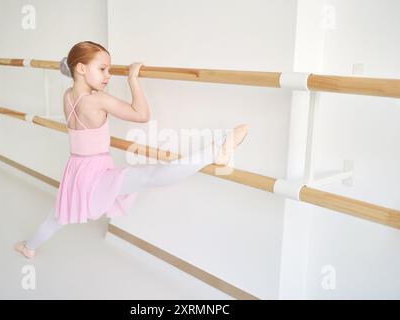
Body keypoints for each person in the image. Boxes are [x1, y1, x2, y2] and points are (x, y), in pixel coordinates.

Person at [15, 41, 249, 259]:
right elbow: (142, 115)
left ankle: (28, 247)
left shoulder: (68, 96)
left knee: (59, 214)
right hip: (95, 174)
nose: (108, 76)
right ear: (81, 68)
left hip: (76, 170)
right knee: (151, 175)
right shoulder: (96, 100)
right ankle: (214, 151)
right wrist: (133, 79)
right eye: (103, 69)